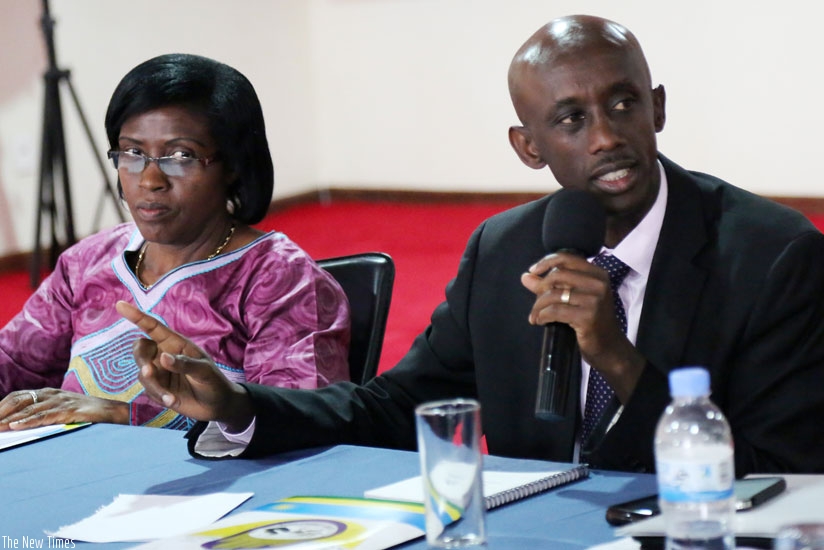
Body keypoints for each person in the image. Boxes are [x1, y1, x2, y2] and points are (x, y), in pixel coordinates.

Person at [119, 17, 824, 474]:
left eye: (623, 105)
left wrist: (616, 357)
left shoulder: (772, 254)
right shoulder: (504, 249)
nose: (606, 137)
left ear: (657, 107)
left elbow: (787, 470)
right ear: (528, 147)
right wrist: (241, 404)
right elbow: (397, 409)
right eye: (571, 120)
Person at [0, 53, 350, 431]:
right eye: (133, 152)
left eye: (181, 155)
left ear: (233, 164)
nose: (150, 180)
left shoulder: (281, 281)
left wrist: (122, 414)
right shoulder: (88, 262)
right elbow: (12, 365)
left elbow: (298, 423)